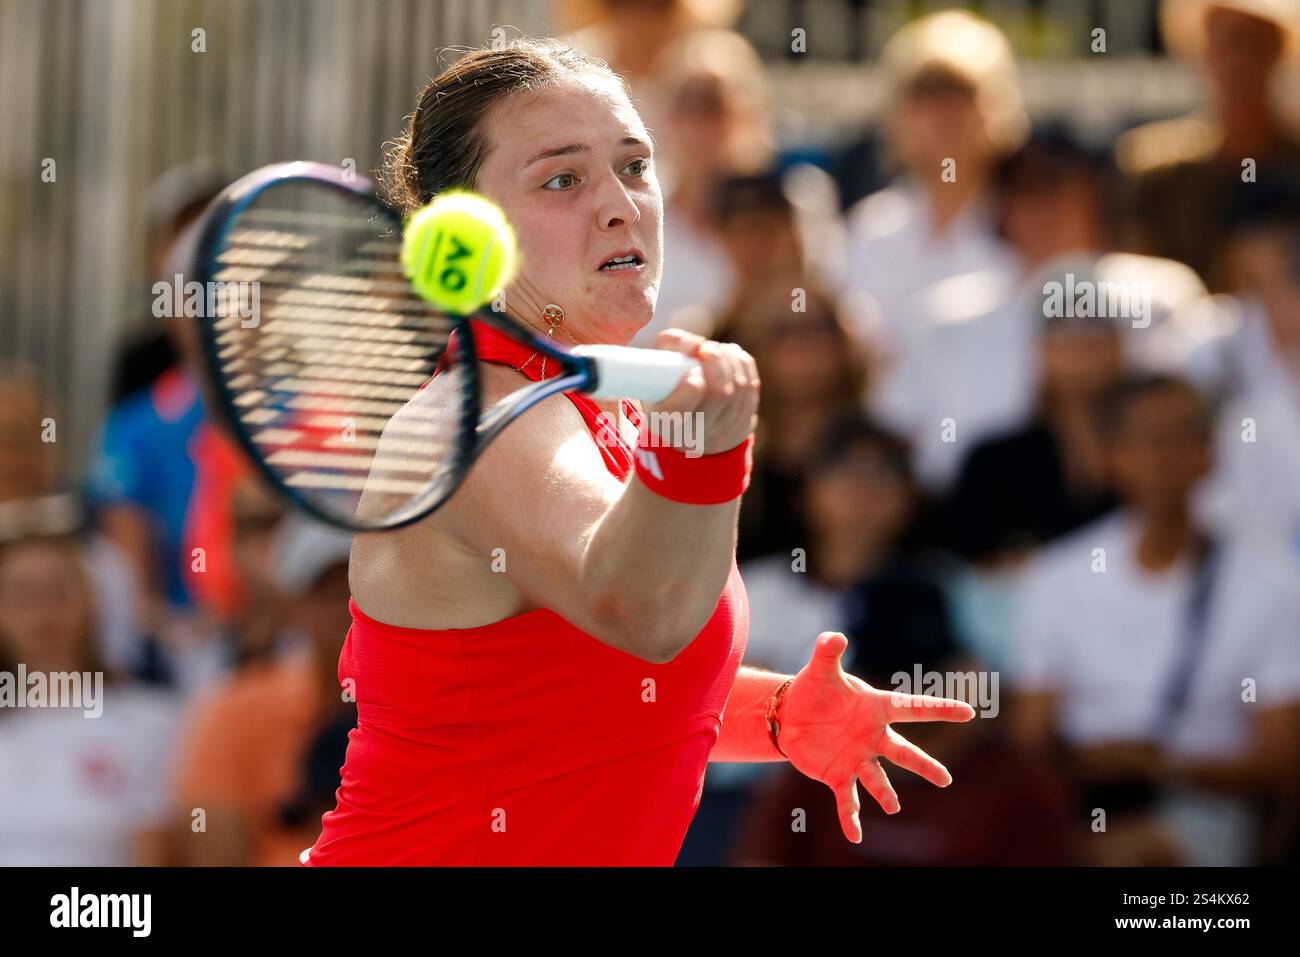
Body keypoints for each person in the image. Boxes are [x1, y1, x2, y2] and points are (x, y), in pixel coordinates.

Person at [306, 38, 973, 867]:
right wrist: (704, 453)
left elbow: (595, 690)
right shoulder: (474, 425)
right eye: (562, 179)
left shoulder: (585, 406)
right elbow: (642, 611)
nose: (621, 204)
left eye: (635, 165)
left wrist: (775, 715)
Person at [1009, 373, 1300, 865]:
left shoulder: (1271, 583)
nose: (1163, 455)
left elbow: (1281, 759)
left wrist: (1164, 767)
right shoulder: (1057, 576)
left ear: (1210, 452)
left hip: (1209, 811)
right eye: (1143, 438)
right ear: (1110, 456)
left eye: (1182, 435)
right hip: (1085, 806)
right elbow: (1030, 737)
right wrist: (1091, 768)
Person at [842, 10, 1033, 491]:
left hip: (998, 479)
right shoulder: (871, 231)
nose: (944, 113)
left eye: (961, 92)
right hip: (888, 485)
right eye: (925, 94)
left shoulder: (1032, 226)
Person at [0, 510, 179, 866]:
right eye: (21, 596)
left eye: (57, 592)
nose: (41, 613)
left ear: (93, 600)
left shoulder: (153, 722)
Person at [172, 517, 354, 866]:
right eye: (327, 594)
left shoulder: (427, 709)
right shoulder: (232, 709)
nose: (345, 607)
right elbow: (214, 854)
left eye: (356, 589)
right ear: (294, 605)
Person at [1117, 0, 1300, 290]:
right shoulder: (1155, 171)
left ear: (1278, 51)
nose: (1240, 61)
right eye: (1227, 44)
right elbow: (1137, 288)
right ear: (1203, 53)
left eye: (1254, 42)